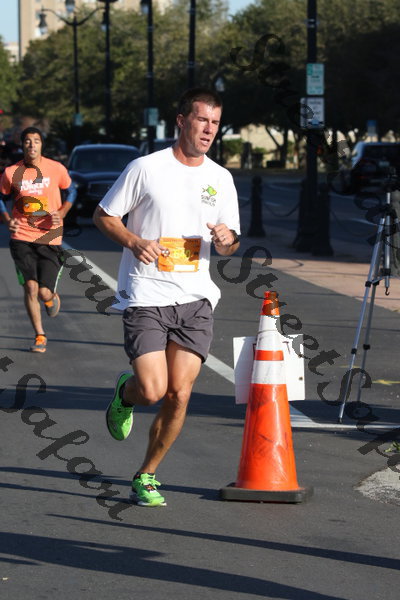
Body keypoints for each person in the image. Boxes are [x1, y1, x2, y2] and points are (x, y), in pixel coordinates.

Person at [93, 87, 241, 507]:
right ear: (181, 121)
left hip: (196, 297)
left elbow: (230, 243)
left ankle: (147, 474)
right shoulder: (146, 168)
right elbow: (104, 215)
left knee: (180, 394)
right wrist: (134, 240)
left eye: (215, 122)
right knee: (153, 390)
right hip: (146, 293)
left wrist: (227, 240)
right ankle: (126, 394)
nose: (209, 129)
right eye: (201, 119)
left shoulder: (221, 178)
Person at [0, 126, 76, 353]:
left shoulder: (56, 168)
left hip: (50, 236)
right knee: (31, 287)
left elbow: (72, 191)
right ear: (22, 145)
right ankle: (40, 335)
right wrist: (7, 219)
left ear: (42, 145)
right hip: (21, 235)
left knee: (43, 292)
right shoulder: (11, 172)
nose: (32, 145)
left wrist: (62, 212)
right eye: (27, 141)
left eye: (36, 141)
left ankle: (50, 297)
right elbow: (1, 197)